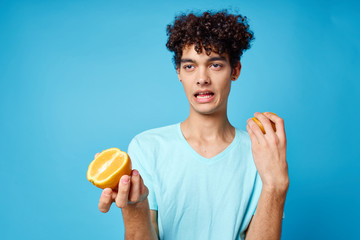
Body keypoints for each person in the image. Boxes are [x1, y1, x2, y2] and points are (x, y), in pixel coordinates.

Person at [96, 10, 289, 240]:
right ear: (178, 72)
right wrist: (134, 208)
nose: (202, 78)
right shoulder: (147, 147)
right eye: (189, 66)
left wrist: (275, 187)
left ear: (234, 70)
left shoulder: (260, 150)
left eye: (215, 65)